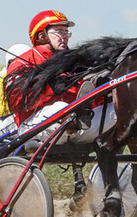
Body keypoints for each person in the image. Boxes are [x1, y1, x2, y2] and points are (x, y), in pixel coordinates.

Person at [5, 10, 84, 141]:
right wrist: (49, 89)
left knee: (115, 110)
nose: (65, 36)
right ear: (41, 36)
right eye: (59, 32)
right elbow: (16, 102)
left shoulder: (70, 62)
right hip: (33, 126)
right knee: (61, 108)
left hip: (71, 125)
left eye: (66, 32)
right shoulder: (22, 62)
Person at [0, 43, 32, 138]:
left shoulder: (26, 77)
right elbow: (0, 111)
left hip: (16, 118)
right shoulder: (0, 79)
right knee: (31, 120)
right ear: (10, 62)